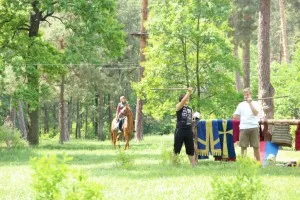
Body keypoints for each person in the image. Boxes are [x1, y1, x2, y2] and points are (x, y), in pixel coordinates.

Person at [233, 88, 261, 162]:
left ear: (251, 94)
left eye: (247, 94)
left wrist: (250, 103)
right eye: (245, 95)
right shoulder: (240, 105)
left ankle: (258, 163)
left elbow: (255, 113)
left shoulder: (256, 103)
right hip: (243, 127)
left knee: (256, 146)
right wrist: (235, 116)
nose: (246, 96)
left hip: (254, 126)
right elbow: (236, 116)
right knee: (243, 146)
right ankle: (243, 163)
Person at [174, 87, 196, 167]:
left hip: (188, 130)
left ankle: (193, 165)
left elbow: (192, 119)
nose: (187, 99)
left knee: (190, 149)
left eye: (188, 98)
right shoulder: (179, 106)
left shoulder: (190, 109)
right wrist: (188, 92)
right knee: (177, 148)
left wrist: (194, 121)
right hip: (180, 129)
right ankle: (174, 164)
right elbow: (183, 101)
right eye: (186, 98)